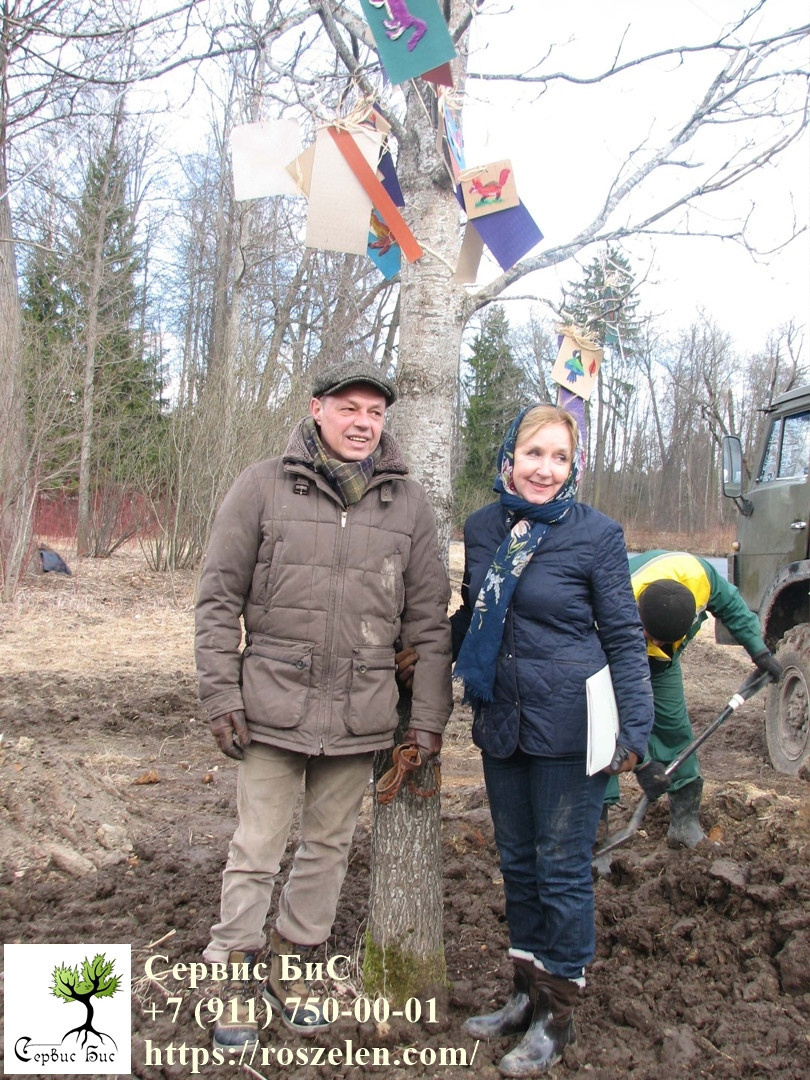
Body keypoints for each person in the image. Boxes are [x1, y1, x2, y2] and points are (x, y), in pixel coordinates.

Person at [194, 360, 453, 1050]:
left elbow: (428, 622)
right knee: (255, 849)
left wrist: (426, 720)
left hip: (360, 714)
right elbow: (218, 598)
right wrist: (220, 691)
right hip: (270, 708)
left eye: (375, 412)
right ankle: (233, 979)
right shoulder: (261, 486)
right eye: (350, 409)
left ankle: (294, 965)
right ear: (317, 410)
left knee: (329, 848)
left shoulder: (409, 505)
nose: (363, 422)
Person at [451, 403, 654, 1078]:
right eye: (532, 453)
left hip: (572, 725)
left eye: (558, 457)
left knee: (562, 870)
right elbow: (477, 611)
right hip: (501, 720)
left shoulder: (595, 534)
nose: (544, 469)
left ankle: (555, 1018)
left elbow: (625, 636)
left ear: (574, 467)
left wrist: (637, 725)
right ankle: (523, 993)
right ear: (508, 457)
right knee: (517, 864)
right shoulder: (482, 527)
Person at [604, 550, 783, 848]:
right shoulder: (609, 603)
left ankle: (684, 824)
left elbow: (733, 606)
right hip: (609, 659)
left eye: (664, 639)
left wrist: (759, 651)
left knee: (674, 728)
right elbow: (616, 711)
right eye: (652, 637)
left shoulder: (700, 578)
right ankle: (599, 835)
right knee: (607, 738)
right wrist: (643, 764)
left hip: (663, 666)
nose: (657, 644)